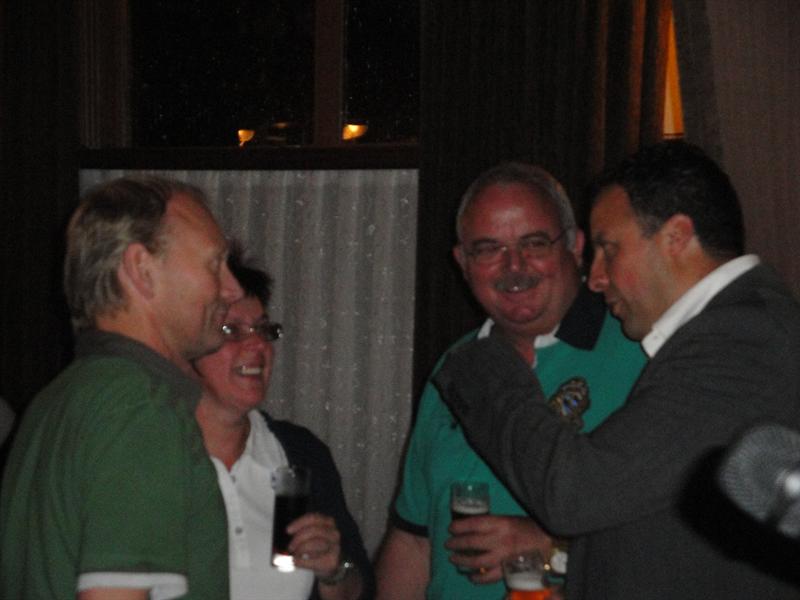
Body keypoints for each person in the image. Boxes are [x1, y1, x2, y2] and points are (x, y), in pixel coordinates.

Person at [433, 141, 800, 599]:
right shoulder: (734, 331)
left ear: (676, 237)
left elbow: (574, 494)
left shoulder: (743, 338)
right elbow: (656, 528)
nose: (596, 277)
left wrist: (485, 364)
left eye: (608, 249)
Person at [375, 163, 646, 599]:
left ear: (575, 246)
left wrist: (549, 545)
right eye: (488, 249)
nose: (514, 266)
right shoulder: (454, 367)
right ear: (463, 262)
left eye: (534, 244)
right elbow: (413, 541)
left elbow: (683, 537)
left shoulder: (640, 351)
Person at [0, 177, 243, 600]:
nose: (233, 289)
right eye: (214, 264)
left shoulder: (58, 400)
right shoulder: (139, 408)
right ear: (141, 270)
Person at [193, 249, 375, 600]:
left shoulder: (300, 452)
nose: (258, 344)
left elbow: (360, 590)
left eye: (263, 329)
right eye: (232, 330)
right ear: (187, 346)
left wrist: (333, 572)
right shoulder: (154, 452)